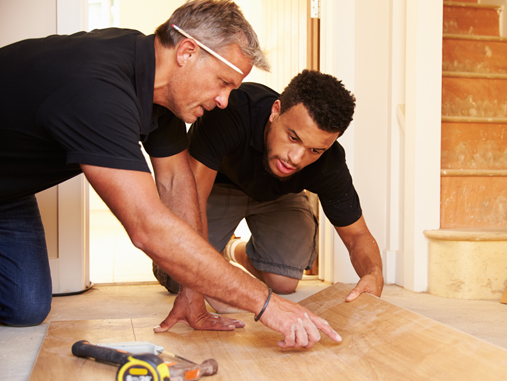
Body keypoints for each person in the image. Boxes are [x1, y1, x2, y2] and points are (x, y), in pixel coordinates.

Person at [0, 0, 341, 349]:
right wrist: (266, 302)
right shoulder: (99, 90)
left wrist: (193, 291)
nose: (224, 101)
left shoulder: (159, 92)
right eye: (223, 82)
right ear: (188, 52)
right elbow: (148, 227)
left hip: (10, 194)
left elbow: (177, 184)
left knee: (27, 307)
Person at [154, 70, 384, 313]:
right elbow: (191, 200)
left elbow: (357, 235)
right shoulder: (231, 112)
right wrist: (217, 284)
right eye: (293, 137)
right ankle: (213, 256)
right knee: (179, 278)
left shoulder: (329, 162)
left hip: (279, 195)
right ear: (276, 111)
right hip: (219, 186)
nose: (296, 158)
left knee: (282, 282)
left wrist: (373, 273)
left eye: (314, 150)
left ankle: (231, 250)